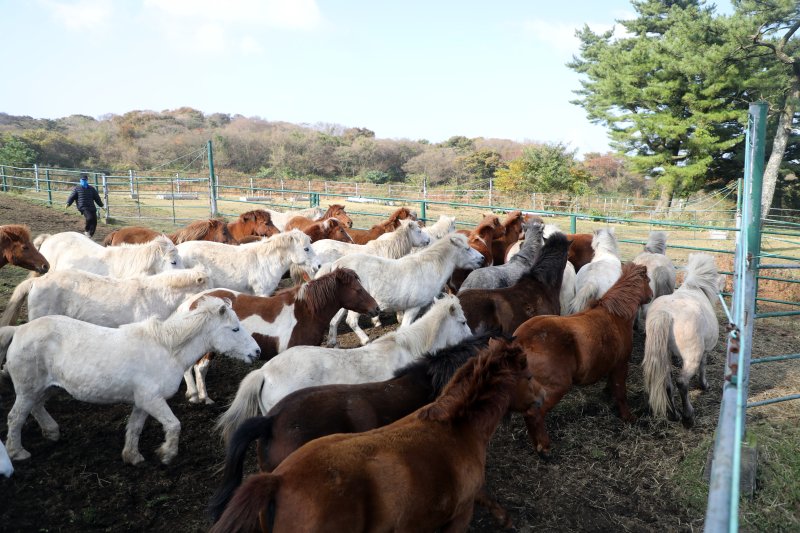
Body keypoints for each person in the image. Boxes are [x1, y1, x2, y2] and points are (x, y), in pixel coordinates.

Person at [66, 173, 104, 237]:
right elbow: (72, 197)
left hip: (92, 207)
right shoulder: (77, 188)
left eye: (85, 180)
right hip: (83, 206)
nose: (83, 181)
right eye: (82, 180)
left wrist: (101, 205)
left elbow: (97, 198)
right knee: (89, 218)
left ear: (87, 180)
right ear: (80, 181)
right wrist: (68, 203)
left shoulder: (92, 189)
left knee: (94, 221)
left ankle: (90, 235)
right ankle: (87, 231)